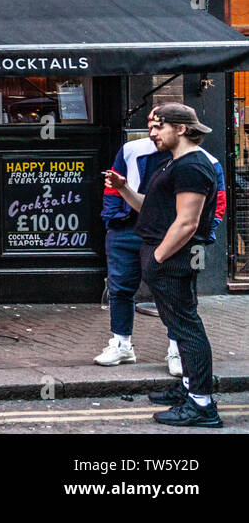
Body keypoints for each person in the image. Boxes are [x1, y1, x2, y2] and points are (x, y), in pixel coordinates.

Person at [104, 104, 224, 428]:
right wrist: (123, 187)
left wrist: (157, 259)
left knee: (186, 329)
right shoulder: (176, 163)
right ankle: (188, 388)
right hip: (163, 256)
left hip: (172, 259)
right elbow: (150, 208)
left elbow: (187, 222)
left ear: (181, 128)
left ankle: (201, 404)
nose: (152, 133)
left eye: (159, 126)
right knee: (181, 327)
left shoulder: (192, 166)